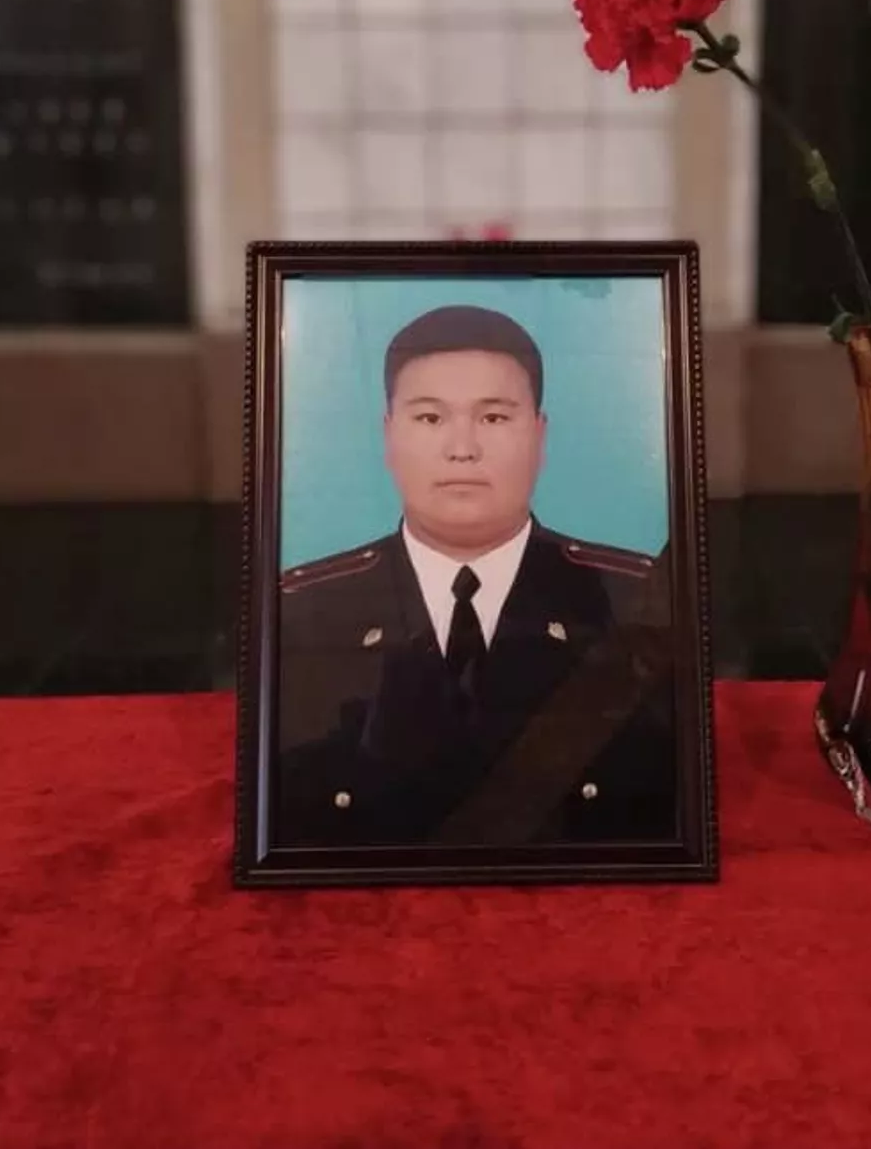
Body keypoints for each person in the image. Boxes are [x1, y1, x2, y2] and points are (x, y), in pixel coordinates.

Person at [274, 303, 677, 849]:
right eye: (430, 418)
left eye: (493, 418)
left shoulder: (632, 598)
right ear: (388, 436)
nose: (462, 449)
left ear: (539, 435)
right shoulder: (306, 608)